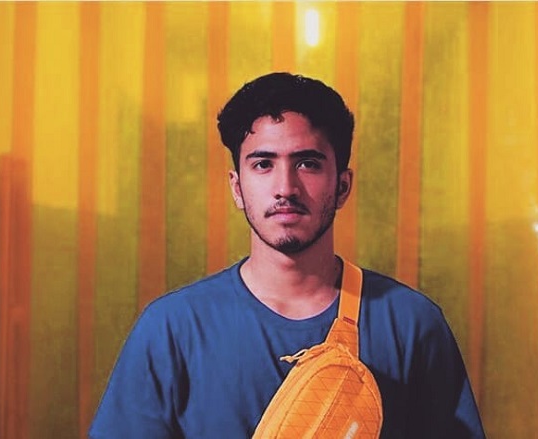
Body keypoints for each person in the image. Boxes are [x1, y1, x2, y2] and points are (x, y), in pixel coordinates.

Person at [89, 72, 485, 438]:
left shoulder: (411, 324)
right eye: (263, 164)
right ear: (237, 188)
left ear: (343, 186)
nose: (285, 187)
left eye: (308, 164)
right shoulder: (172, 329)